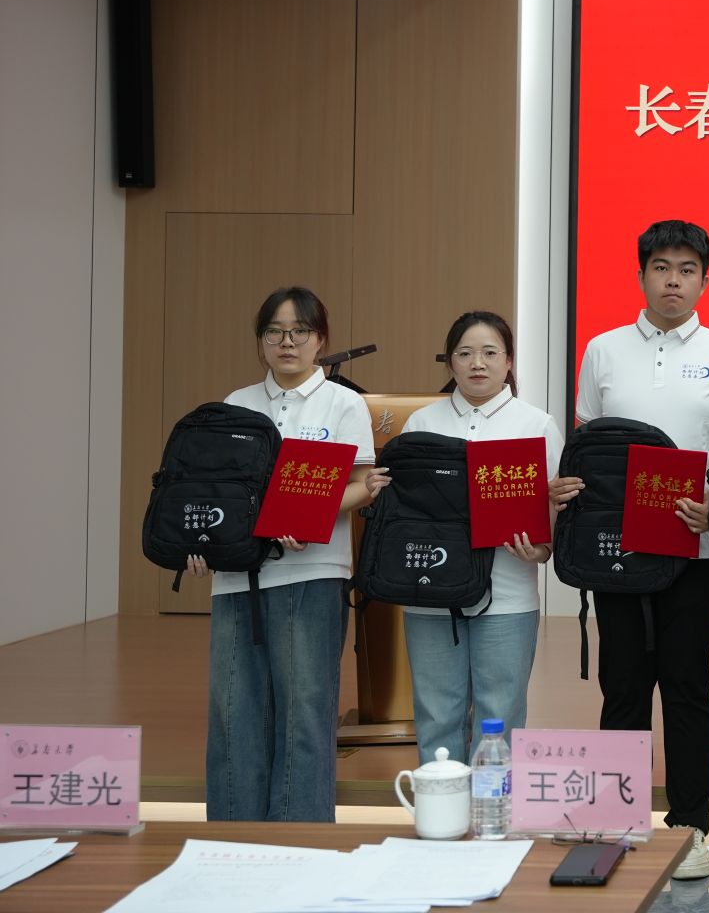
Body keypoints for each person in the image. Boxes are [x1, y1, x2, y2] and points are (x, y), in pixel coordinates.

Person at [550, 220, 709, 879]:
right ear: (641, 276)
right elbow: (588, 444)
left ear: (704, 281)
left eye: (687, 270)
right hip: (618, 548)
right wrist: (571, 486)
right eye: (661, 267)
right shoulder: (603, 350)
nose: (673, 281)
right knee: (623, 687)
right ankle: (613, 823)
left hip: (693, 545)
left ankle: (690, 827)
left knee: (687, 687)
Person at [198, 286, 387, 821]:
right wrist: (203, 543)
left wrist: (308, 516)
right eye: (275, 332)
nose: (287, 342)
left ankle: (301, 835)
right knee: (233, 709)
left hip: (314, 573)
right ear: (261, 341)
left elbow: (363, 484)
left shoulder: (343, 403)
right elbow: (220, 491)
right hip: (239, 576)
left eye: (300, 331)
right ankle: (232, 834)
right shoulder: (237, 404)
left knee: (305, 711)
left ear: (320, 339)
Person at [398, 311, 562, 767]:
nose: (477, 363)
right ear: (450, 361)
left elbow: (553, 509)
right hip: (429, 594)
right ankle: (441, 807)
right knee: (436, 714)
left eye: (490, 353)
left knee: (499, 716)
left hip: (507, 595)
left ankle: (494, 810)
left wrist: (541, 549)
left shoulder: (536, 424)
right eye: (465, 353)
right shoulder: (420, 424)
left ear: (509, 361)